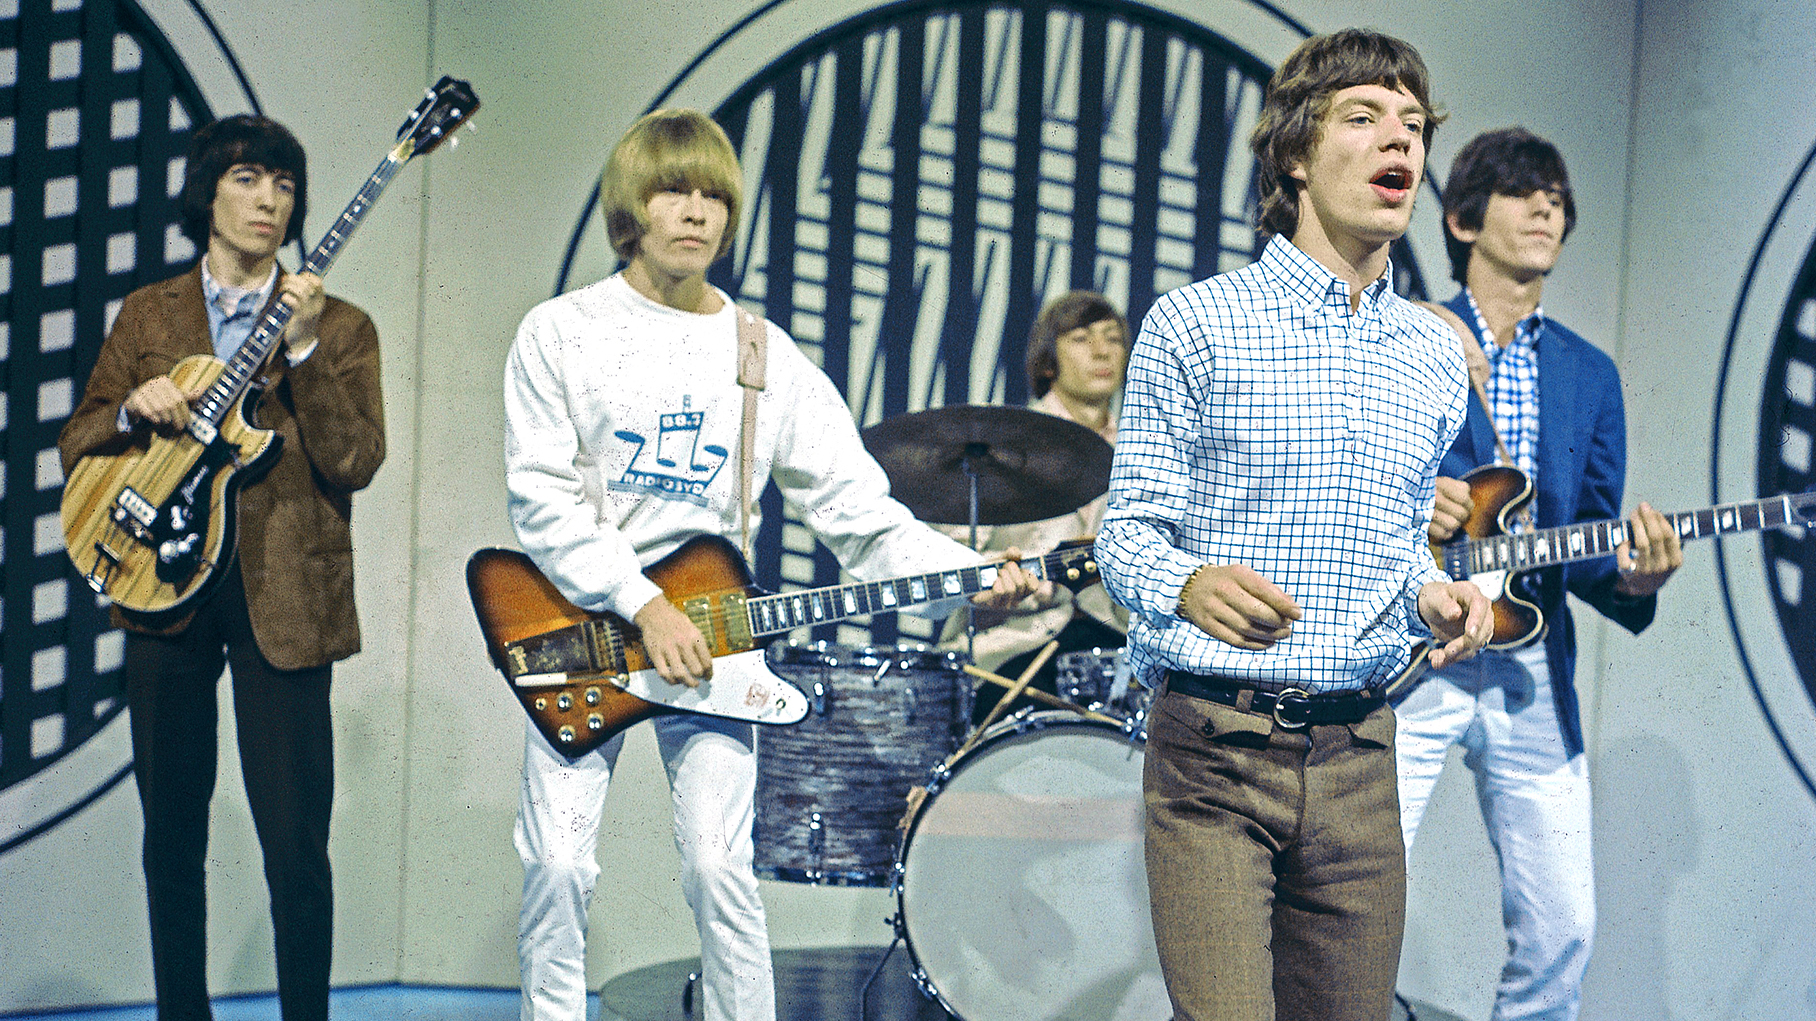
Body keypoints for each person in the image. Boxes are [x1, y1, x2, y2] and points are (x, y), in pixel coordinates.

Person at [501, 109, 1035, 1021]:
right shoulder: (561, 330)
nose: (695, 212)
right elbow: (541, 498)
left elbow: (859, 514)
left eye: (714, 196)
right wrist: (641, 603)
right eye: (673, 191)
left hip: (716, 633)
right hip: (580, 626)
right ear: (631, 205)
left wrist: (972, 571)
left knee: (721, 868)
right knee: (556, 862)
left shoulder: (761, 351)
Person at [1094, 29, 1494, 1021]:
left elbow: (1398, 542)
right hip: (1216, 750)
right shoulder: (1195, 322)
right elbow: (1126, 533)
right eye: (1364, 116)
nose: (1398, 139)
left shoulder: (1433, 355)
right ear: (1295, 154)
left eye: (1412, 124)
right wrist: (1188, 583)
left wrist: (1433, 595)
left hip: (1359, 753)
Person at [57, 115, 384, 1021]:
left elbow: (356, 460)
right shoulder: (149, 314)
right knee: (171, 838)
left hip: (287, 599)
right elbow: (78, 439)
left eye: (284, 184)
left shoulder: (341, 327)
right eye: (247, 179)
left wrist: (306, 353)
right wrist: (134, 408)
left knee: (295, 847)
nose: (268, 200)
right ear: (207, 193)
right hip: (161, 582)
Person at [1395, 127, 1682, 1021]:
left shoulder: (1589, 374)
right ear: (1461, 220)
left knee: (1564, 927)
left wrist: (1635, 579)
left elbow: (1589, 542)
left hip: (1528, 663)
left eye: (1557, 197)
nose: (1548, 208)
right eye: (1525, 193)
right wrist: (1416, 503)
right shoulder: (1406, 336)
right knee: (1353, 898)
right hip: (1413, 652)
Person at [940, 290, 1131, 722]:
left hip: (1113, 658)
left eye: (1113, 338)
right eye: (1081, 338)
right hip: (1012, 648)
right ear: (1048, 362)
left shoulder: (1140, 452)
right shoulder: (1002, 445)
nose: (1101, 350)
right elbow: (949, 562)